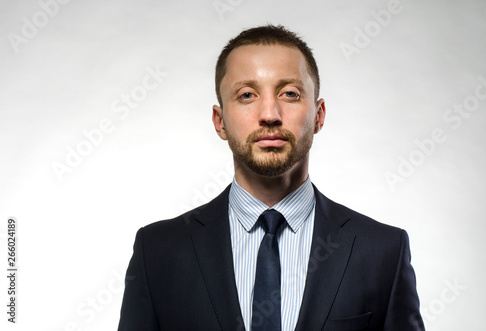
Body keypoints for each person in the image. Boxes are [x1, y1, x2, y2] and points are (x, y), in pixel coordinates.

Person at [118, 24, 425, 331]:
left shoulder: (383, 251)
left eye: (289, 93)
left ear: (318, 116)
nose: (269, 113)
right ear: (220, 121)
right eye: (247, 95)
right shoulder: (158, 251)